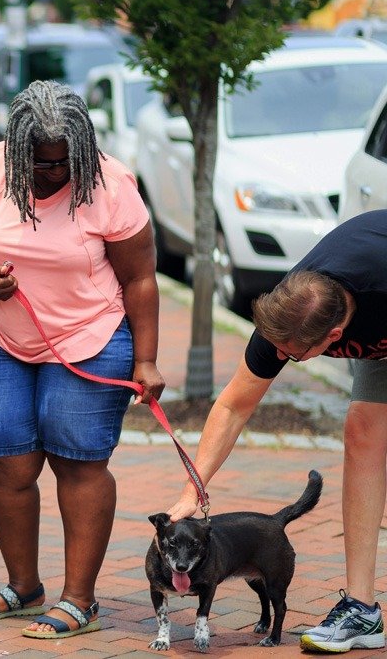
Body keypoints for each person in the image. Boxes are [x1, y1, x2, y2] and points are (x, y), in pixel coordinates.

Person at [0, 80, 164, 638]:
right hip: (6, 338)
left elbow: (141, 277)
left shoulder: (110, 184)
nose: (55, 173)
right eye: (42, 163)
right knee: (2, 458)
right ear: (18, 150)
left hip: (92, 339)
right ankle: (24, 586)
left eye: (65, 160)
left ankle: (80, 599)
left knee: (77, 461)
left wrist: (146, 361)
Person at [166, 210, 387, 654]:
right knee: (363, 430)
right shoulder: (289, 312)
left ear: (335, 337)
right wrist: (194, 487)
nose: (281, 356)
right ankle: (362, 610)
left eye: (293, 354)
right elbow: (233, 406)